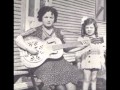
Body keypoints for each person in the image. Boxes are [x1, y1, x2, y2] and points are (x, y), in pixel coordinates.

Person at [15, 6, 82, 90]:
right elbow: (18, 39)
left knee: (71, 81)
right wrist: (29, 49)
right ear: (41, 18)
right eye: (46, 17)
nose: (49, 20)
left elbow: (66, 49)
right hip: (42, 63)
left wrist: (82, 47)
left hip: (59, 61)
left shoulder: (59, 32)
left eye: (51, 17)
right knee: (58, 85)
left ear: (54, 19)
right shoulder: (35, 30)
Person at [69, 17, 106, 90]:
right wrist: (78, 61)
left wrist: (102, 62)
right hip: (85, 61)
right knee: (86, 79)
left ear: (95, 28)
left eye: (91, 27)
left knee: (94, 79)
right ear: (84, 28)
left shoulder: (98, 39)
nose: (89, 29)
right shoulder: (81, 39)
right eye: (87, 27)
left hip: (96, 61)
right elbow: (77, 51)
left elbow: (101, 52)